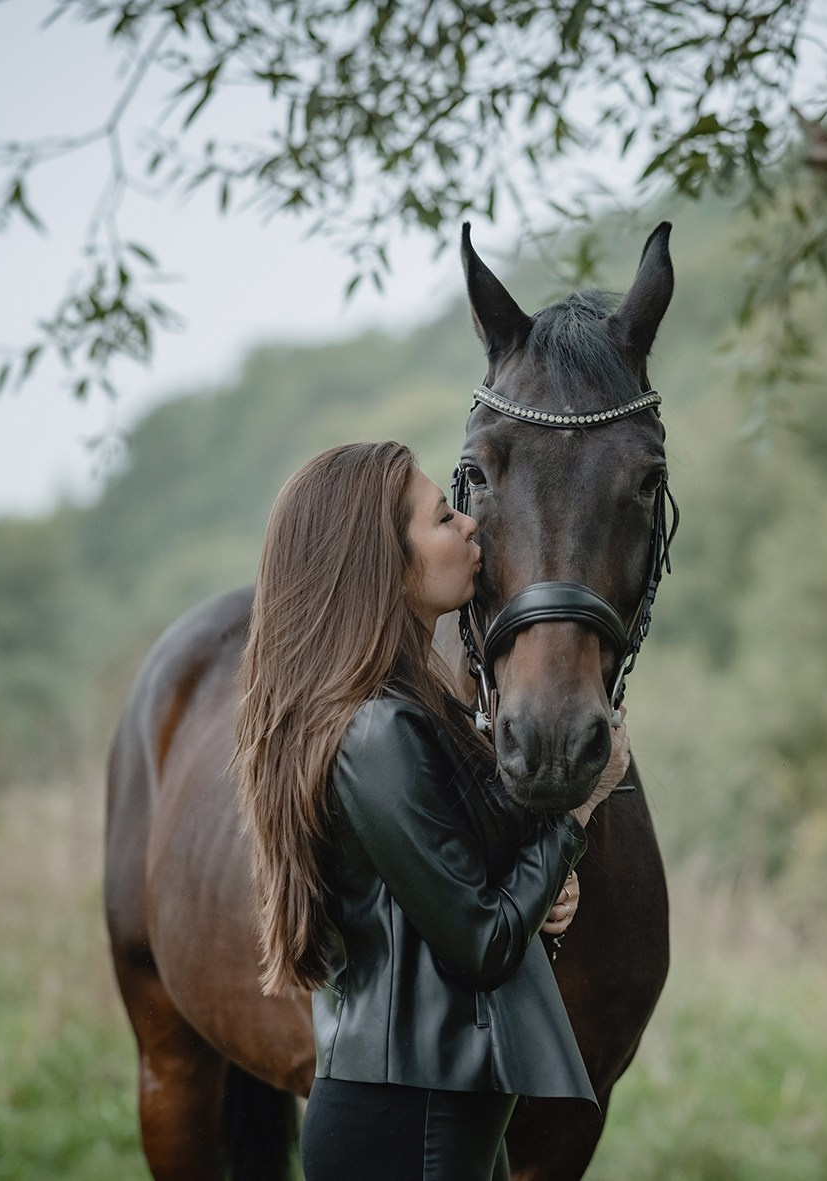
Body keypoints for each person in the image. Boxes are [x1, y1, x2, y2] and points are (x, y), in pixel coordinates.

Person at [234, 441, 629, 1181]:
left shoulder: (414, 708)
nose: (472, 525)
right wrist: (573, 818)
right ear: (385, 561)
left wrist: (542, 884)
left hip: (421, 1120)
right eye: (445, 516)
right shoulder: (379, 730)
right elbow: (480, 943)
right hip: (405, 1130)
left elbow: (462, 897)